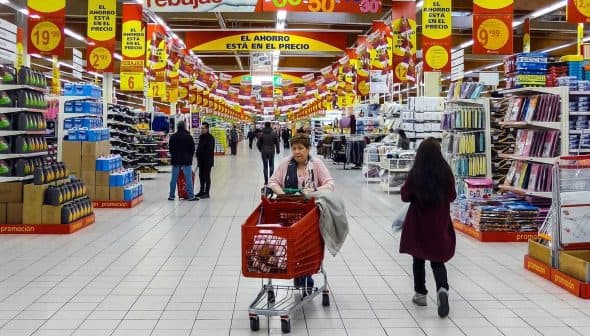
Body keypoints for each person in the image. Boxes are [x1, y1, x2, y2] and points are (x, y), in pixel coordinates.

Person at [269, 133, 335, 291]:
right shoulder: (286, 164)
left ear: (308, 149)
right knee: (293, 245)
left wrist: (313, 191)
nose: (297, 152)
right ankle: (299, 277)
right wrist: (283, 194)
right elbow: (273, 181)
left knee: (307, 247)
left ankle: (306, 280)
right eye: (294, 148)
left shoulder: (316, 164)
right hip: (289, 212)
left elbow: (330, 184)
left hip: (310, 213)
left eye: (300, 148)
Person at [399, 138, 456, 318]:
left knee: (418, 259)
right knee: (437, 260)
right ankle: (442, 289)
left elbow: (405, 196)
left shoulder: (416, 173)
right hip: (439, 222)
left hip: (418, 223)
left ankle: (420, 293)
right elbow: (452, 196)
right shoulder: (446, 172)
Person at [168, 121, 198, 201]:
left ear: (177, 127)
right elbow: (192, 149)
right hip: (186, 160)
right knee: (188, 178)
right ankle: (191, 196)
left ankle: (171, 196)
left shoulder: (173, 137)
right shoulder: (188, 137)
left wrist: (174, 155)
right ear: (184, 127)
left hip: (176, 160)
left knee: (173, 178)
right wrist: (189, 157)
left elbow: (170, 149)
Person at [196, 122, 215, 199]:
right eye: (201, 128)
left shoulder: (210, 138)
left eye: (203, 128)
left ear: (207, 129)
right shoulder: (201, 137)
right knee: (201, 176)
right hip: (201, 161)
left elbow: (209, 150)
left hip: (207, 161)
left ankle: (207, 192)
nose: (201, 130)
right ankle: (201, 191)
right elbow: (199, 148)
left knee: (207, 176)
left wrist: (201, 154)